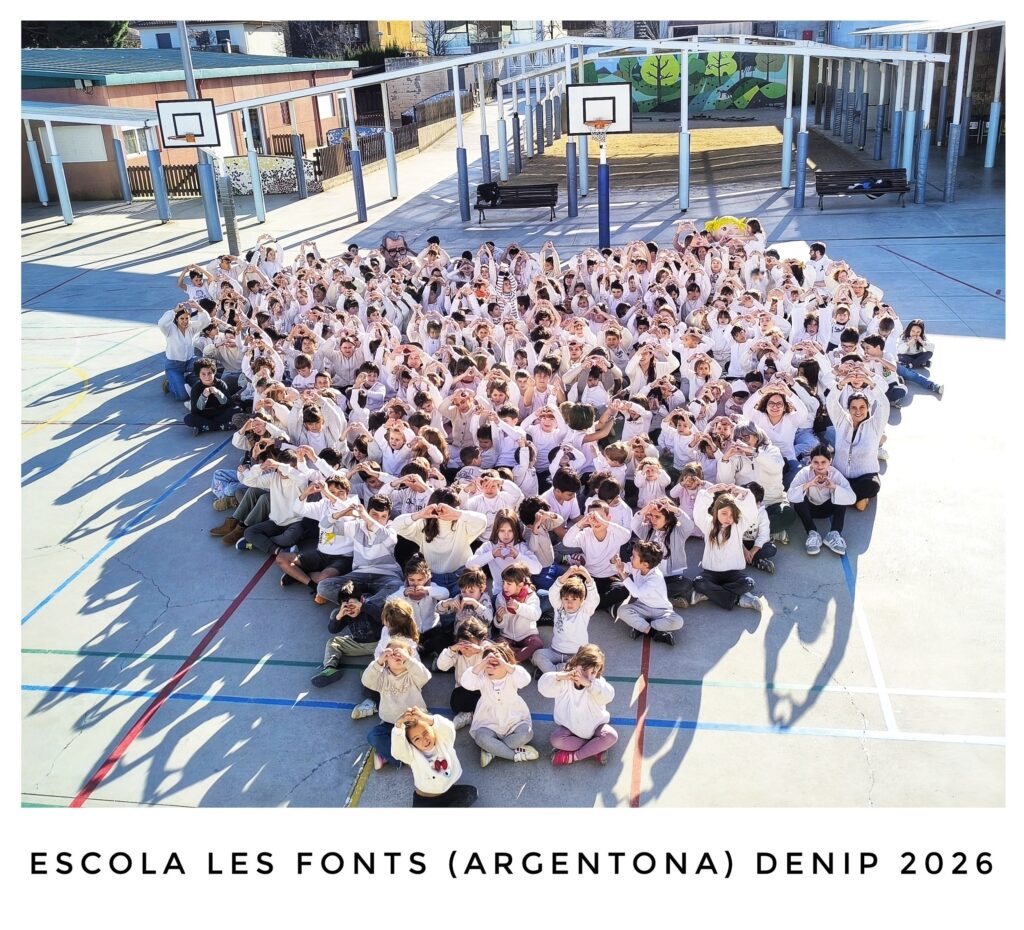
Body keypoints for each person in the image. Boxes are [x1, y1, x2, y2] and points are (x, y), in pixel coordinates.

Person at [460, 642, 539, 767]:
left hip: (514, 719)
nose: (489, 668)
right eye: (487, 664)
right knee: (481, 738)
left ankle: (492, 750)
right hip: (488, 721)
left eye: (495, 664)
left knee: (526, 734)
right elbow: (466, 682)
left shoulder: (512, 676)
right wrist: (482, 662)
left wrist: (503, 662)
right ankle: (515, 755)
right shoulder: (482, 677)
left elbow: (525, 679)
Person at [537, 644, 618, 766]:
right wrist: (558, 677)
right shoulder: (564, 680)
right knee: (556, 740)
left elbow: (609, 695)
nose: (588, 676)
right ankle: (594, 749)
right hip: (569, 727)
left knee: (611, 736)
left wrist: (590, 684)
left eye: (593, 672)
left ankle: (574, 756)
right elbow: (543, 688)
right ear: (575, 664)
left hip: (595, 726)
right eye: (584, 670)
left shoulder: (596, 683)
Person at [690, 483, 765, 612]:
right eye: (724, 513)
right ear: (716, 511)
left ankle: (710, 594)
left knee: (749, 583)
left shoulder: (739, 525)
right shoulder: (708, 525)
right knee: (699, 582)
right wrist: (711, 490)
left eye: (732, 515)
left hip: (732, 574)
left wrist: (745, 492)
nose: (728, 518)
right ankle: (738, 599)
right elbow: (698, 512)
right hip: (711, 573)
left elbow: (751, 513)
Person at [360, 636, 430, 769]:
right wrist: (378, 662)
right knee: (374, 736)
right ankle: (400, 758)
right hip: (391, 723)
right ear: (386, 659)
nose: (397, 656)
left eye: (402, 653)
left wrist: (408, 660)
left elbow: (425, 676)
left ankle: (389, 755)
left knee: (433, 732)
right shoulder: (382, 677)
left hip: (415, 721)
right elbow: (366, 681)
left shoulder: (413, 676)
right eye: (392, 653)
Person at [391, 706, 478, 807]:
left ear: (433, 728)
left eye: (426, 733)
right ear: (411, 743)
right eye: (417, 739)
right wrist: (398, 727)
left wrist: (427, 718)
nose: (424, 739)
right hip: (426, 800)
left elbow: (449, 728)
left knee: (472, 793)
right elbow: (398, 751)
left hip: (448, 792)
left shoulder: (443, 739)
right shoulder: (411, 755)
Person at [609, 540, 685, 645]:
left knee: (678, 622)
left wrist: (622, 573)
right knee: (622, 611)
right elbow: (619, 567)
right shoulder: (636, 567)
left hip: (661, 610)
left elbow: (636, 593)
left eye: (634, 556)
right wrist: (614, 562)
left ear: (645, 564)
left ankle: (641, 626)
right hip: (642, 606)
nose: (630, 558)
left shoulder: (656, 577)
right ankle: (653, 632)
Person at [786, 443, 857, 556]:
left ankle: (834, 534)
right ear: (811, 461)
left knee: (841, 495)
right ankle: (812, 533)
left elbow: (852, 498)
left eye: (823, 462)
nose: (819, 466)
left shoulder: (835, 474)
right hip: (810, 510)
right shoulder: (804, 473)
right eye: (816, 462)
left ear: (830, 461)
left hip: (828, 509)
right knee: (798, 499)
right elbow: (790, 495)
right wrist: (808, 484)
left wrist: (834, 487)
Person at [533, 566, 599, 674]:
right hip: (555, 651)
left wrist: (588, 577)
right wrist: (567, 574)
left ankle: (551, 672)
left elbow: (594, 599)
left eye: (574, 599)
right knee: (537, 655)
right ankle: (558, 671)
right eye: (566, 598)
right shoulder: (558, 606)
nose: (569, 603)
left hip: (576, 655)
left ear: (582, 600)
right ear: (562, 598)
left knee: (586, 664)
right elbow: (553, 592)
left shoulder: (585, 610)